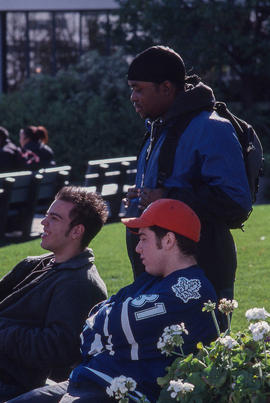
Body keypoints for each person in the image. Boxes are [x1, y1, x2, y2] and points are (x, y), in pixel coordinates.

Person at [7, 199, 218, 403]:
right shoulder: (150, 280)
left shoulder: (191, 290)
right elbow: (91, 323)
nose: (138, 248)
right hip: (91, 379)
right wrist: (112, 333)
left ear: (169, 240)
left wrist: (108, 332)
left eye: (143, 238)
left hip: (124, 392)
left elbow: (110, 323)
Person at [125, 45, 252, 303]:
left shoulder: (211, 127)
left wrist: (168, 197)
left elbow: (236, 203)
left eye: (139, 89)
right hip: (156, 274)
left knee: (201, 344)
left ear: (167, 88)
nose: (133, 97)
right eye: (131, 89)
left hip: (202, 270)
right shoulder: (158, 127)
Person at [0, 186, 108, 402]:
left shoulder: (81, 285)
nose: (43, 222)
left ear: (77, 231)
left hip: (14, 383)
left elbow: (55, 349)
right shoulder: (35, 264)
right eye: (47, 215)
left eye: (54, 218)